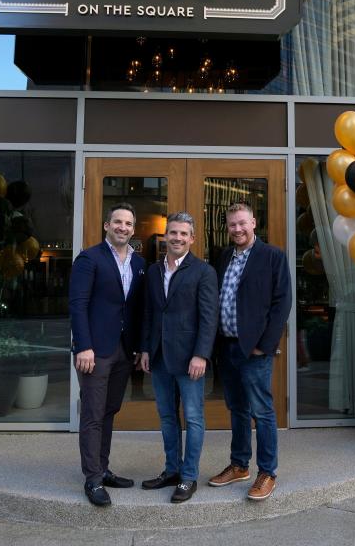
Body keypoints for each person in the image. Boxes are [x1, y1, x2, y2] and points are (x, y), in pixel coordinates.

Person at [208, 203, 292, 501]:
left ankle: (267, 472)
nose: (238, 229)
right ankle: (239, 465)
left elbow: (282, 303)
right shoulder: (223, 256)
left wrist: (265, 345)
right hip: (226, 347)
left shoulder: (272, 256)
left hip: (254, 350)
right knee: (237, 409)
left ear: (254, 222)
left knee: (262, 411)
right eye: (232, 224)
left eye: (242, 223)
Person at [68, 203, 147, 507]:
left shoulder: (139, 263)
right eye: (117, 222)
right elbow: (77, 305)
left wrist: (139, 347)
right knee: (92, 413)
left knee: (109, 410)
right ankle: (92, 478)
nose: (123, 227)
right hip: (95, 350)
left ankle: (103, 468)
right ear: (106, 225)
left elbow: (137, 310)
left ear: (133, 229)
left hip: (124, 350)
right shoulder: (90, 259)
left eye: (128, 223)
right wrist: (83, 346)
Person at [139, 212, 219, 503]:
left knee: (194, 418)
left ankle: (188, 477)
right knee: (167, 416)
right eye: (173, 232)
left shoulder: (203, 272)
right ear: (166, 235)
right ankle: (171, 470)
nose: (178, 238)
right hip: (159, 356)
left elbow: (209, 319)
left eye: (184, 234)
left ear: (192, 238)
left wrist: (201, 355)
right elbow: (149, 312)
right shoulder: (153, 271)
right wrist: (146, 348)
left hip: (190, 360)